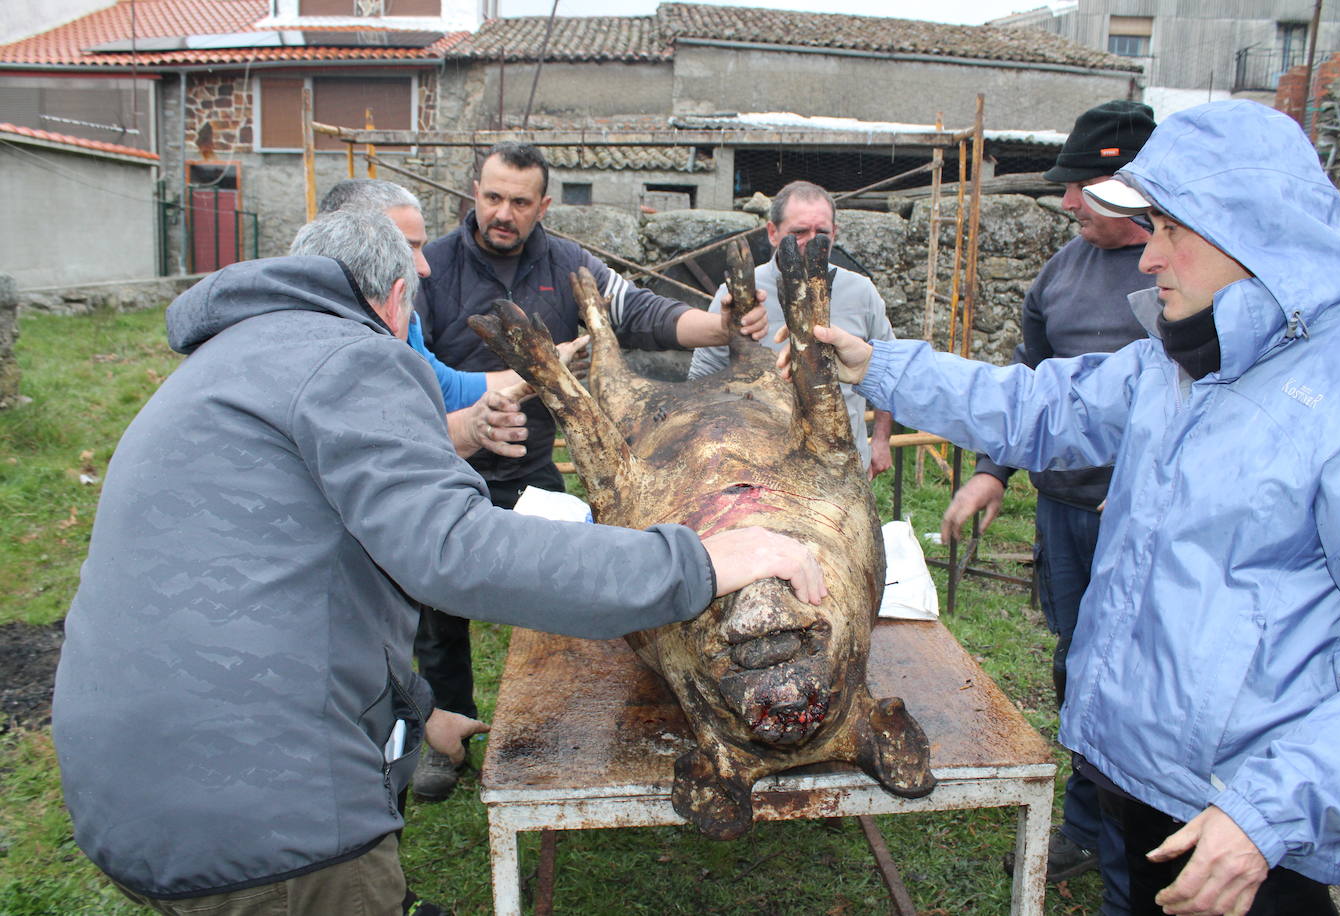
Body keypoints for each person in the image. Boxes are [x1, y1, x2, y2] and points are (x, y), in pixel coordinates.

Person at [51, 206, 824, 915]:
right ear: (392, 301)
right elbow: (456, 549)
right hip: (262, 817)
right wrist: (696, 565)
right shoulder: (348, 358)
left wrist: (416, 714)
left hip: (130, 789)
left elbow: (289, 583)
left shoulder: (220, 369)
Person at [783, 99, 1340, 915]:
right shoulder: (1182, 358)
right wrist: (878, 365)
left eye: (1170, 230)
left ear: (1247, 230)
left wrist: (1268, 813)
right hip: (1139, 773)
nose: (1146, 258)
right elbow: (1037, 406)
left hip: (1242, 820)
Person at [411, 141, 770, 800]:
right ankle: (447, 734)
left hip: (533, 469)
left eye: (520, 202)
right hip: (443, 463)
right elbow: (407, 374)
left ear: (543, 205)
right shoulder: (431, 269)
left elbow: (643, 315)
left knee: (570, 586)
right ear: (474, 193)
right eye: (493, 197)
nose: (503, 213)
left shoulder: (567, 264)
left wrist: (717, 328)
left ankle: (558, 716)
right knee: (436, 613)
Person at [941, 100, 1156, 911]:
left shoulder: (1185, 268)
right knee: (1078, 663)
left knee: (1139, 678)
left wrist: (1136, 495)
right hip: (1066, 512)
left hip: (1146, 523)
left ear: (1139, 187)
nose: (1066, 203)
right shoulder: (1061, 273)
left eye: (1085, 187)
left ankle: (1141, 843)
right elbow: (1032, 382)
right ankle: (1087, 824)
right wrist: (994, 469)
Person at [319, 177, 586, 462]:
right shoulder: (325, 352)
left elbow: (445, 388)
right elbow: (378, 451)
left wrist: (546, 365)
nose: (424, 268)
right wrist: (467, 429)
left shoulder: (407, 326)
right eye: (408, 249)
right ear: (354, 246)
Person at [687, 180, 896, 478]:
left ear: (834, 233)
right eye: (799, 232)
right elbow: (700, 381)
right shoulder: (738, 293)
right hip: (758, 469)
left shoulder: (861, 293)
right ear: (773, 233)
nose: (812, 241)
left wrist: (882, 440)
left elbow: (888, 371)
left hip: (843, 469)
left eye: (821, 232)